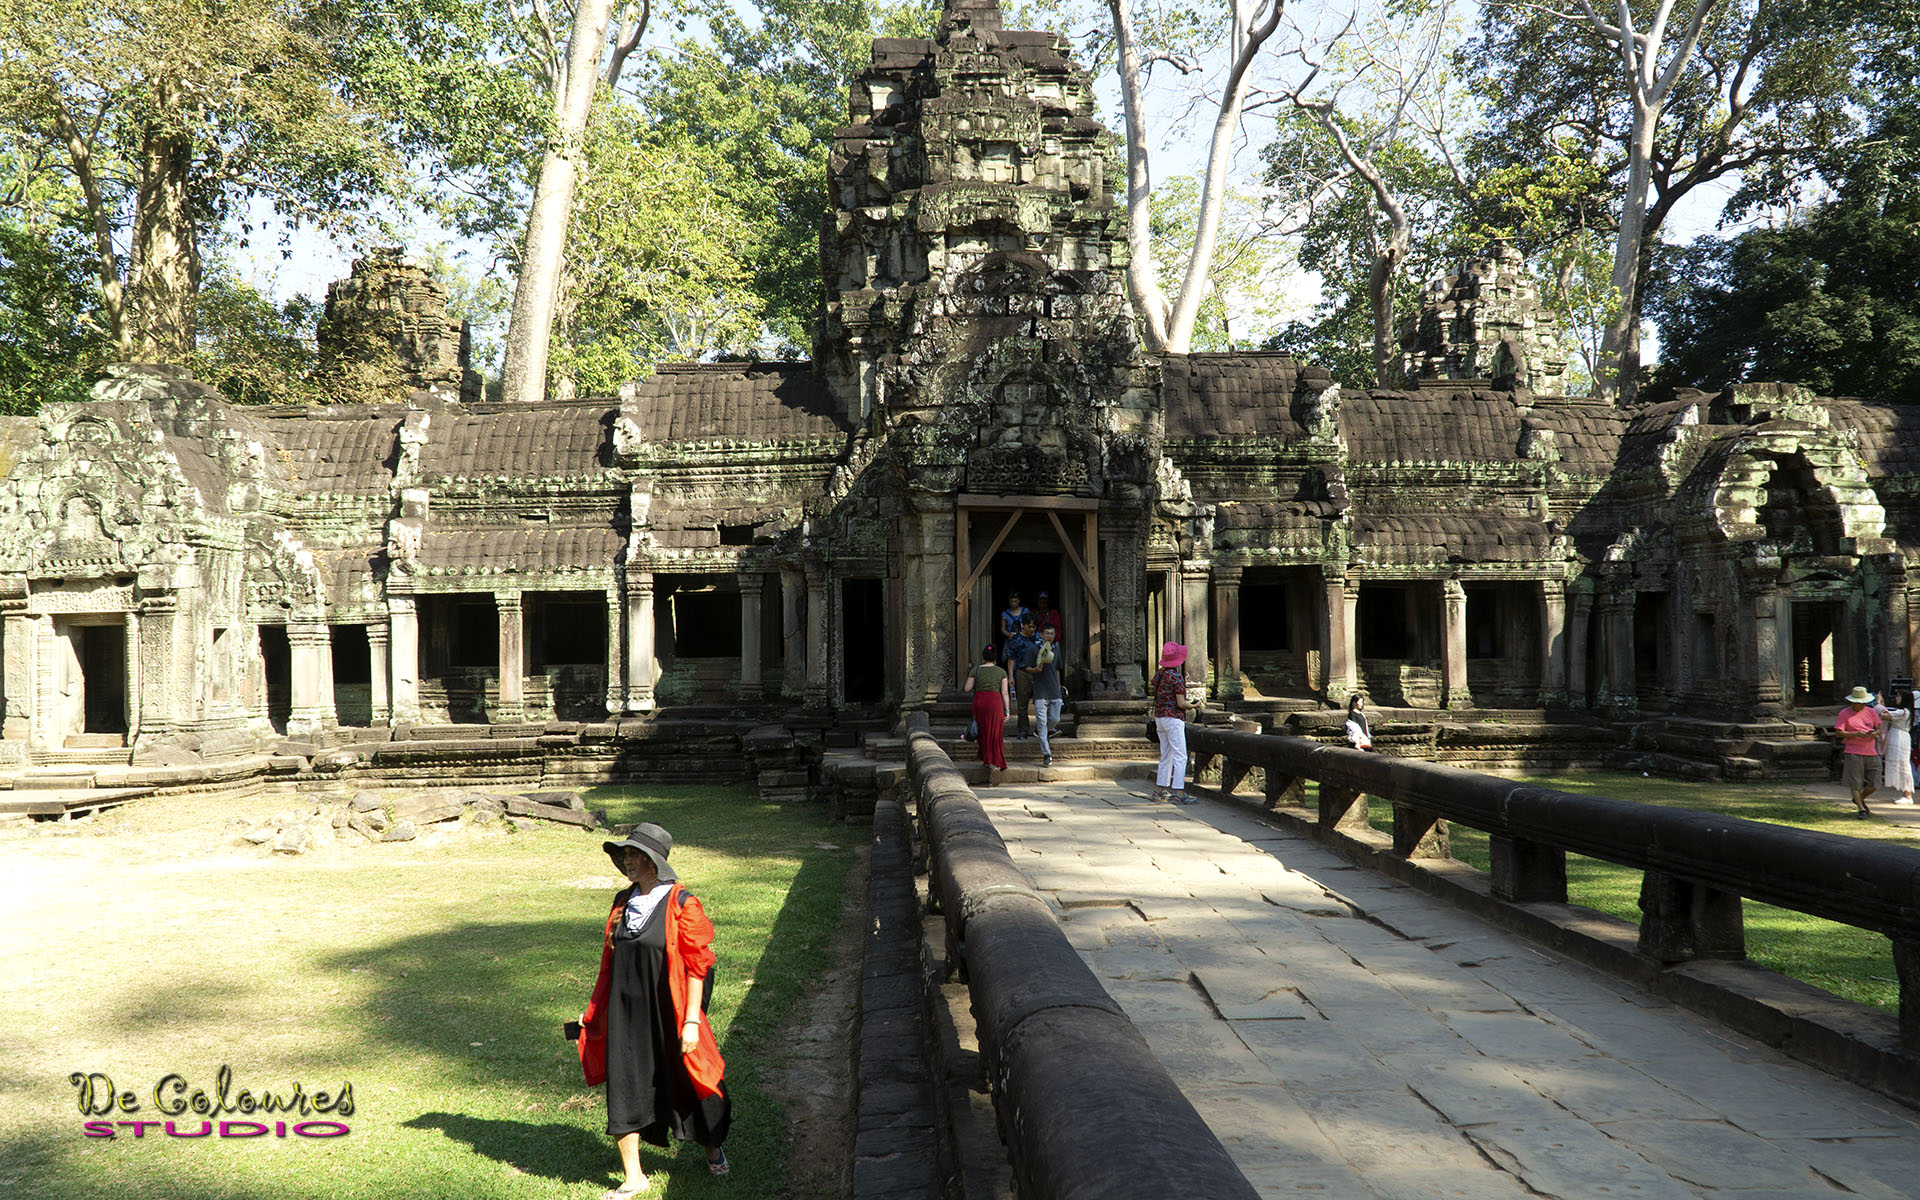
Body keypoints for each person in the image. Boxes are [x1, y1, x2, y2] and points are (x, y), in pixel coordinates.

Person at [576, 824, 731, 1197]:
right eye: (625, 855)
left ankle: (711, 1147)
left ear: (652, 861)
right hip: (626, 1014)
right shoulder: (621, 902)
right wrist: (595, 1011)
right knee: (624, 1086)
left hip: (671, 1013)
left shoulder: (682, 903)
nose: (627, 861)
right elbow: (609, 965)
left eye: (634, 855)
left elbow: (698, 964)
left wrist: (691, 1021)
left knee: (688, 1082)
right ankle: (634, 1176)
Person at [1151, 641, 1200, 804]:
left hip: (1160, 718)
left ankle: (1159, 790)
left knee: (1166, 754)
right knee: (1180, 755)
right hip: (1173, 718)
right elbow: (1180, 703)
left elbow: (1157, 688)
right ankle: (1179, 792)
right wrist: (1193, 705)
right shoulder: (1176, 677)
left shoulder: (1159, 675)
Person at [1835, 685, 1883, 817]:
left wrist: (1874, 733)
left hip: (1871, 751)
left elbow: (1878, 729)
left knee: (1875, 782)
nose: (1860, 706)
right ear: (1852, 702)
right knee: (1855, 782)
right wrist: (1856, 734)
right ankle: (1861, 809)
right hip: (1853, 751)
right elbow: (1839, 733)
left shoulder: (1871, 712)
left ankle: (1859, 798)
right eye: (1858, 703)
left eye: (1863, 703)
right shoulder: (1844, 713)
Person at [964, 645, 1009, 781]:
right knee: (995, 732)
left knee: (982, 731)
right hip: (995, 702)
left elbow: (967, 688)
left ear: (983, 657)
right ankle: (995, 761)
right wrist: (1007, 710)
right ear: (995, 658)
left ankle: (987, 759)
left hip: (980, 702)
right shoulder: (1001, 672)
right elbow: (1005, 693)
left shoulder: (976, 670)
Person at [1025, 623, 1065, 767]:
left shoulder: (1056, 649)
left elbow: (1058, 669)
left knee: (1055, 718)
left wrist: (1059, 688)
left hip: (1054, 689)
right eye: (1047, 633)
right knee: (1042, 722)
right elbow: (1026, 667)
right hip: (1040, 690)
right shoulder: (1033, 648)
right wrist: (1035, 670)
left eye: (1052, 634)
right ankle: (1046, 754)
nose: (1049, 636)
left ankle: (1041, 732)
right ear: (1041, 634)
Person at [1878, 686, 1915, 805]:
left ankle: (1908, 795)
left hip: (1900, 738)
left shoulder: (1903, 712)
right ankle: (1904, 793)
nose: (1896, 698)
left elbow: (1884, 715)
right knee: (1899, 763)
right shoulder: (1903, 711)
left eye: (1899, 696)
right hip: (1897, 736)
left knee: (1903, 765)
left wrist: (1879, 703)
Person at [1007, 616, 1039, 740]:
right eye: (1029, 626)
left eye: (1034, 627)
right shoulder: (1016, 639)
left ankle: (1040, 729)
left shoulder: (1038, 639)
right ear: (1023, 625)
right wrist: (1011, 676)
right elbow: (1011, 658)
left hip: (1037, 672)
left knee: (1041, 703)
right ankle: (1023, 730)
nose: (1031, 629)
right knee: (1022, 703)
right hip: (1022, 672)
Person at [997, 593, 1028, 664]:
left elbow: (1029, 624)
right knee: (1010, 659)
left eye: (1015, 601)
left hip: (1023, 639)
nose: (1013, 603)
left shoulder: (1025, 611)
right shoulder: (1005, 613)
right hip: (1010, 640)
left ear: (1019, 601)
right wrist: (1008, 634)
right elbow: (1002, 629)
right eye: (1011, 601)